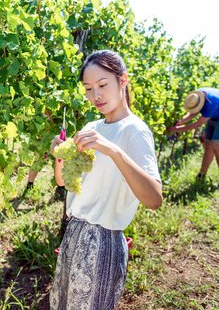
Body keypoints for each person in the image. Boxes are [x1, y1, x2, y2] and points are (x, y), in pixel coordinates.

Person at [49, 50, 162, 310]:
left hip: (102, 244)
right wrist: (59, 157)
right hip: (73, 234)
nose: (95, 95)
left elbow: (154, 199)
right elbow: (63, 183)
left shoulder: (135, 131)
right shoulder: (91, 128)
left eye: (102, 85)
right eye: (88, 89)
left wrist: (112, 150)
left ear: (123, 81)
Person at [167, 88, 219, 188]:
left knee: (216, 144)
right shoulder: (197, 96)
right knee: (208, 145)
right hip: (214, 116)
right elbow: (195, 110)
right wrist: (181, 121)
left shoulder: (212, 102)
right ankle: (202, 174)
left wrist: (177, 129)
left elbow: (198, 123)